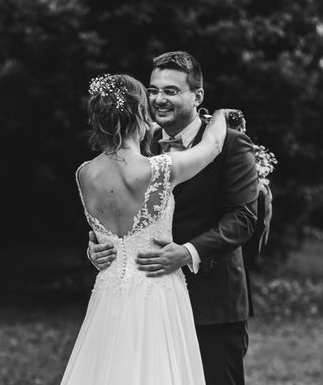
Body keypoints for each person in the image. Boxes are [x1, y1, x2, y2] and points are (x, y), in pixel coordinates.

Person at [88, 51, 258, 385]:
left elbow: (242, 218)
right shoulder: (138, 143)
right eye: (152, 90)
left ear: (198, 96)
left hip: (211, 306)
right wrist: (97, 246)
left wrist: (188, 252)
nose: (158, 99)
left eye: (170, 91)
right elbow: (113, 208)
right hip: (147, 306)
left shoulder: (232, 144)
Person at [61, 73, 231, 385]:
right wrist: (220, 115)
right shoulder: (161, 169)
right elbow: (215, 144)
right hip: (157, 293)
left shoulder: (84, 174)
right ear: (141, 116)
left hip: (108, 294)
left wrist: (93, 250)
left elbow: (106, 237)